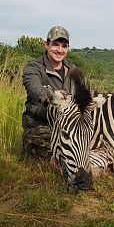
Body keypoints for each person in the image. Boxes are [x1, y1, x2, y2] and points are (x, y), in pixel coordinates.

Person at [22, 25, 76, 158]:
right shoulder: (33, 67)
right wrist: (52, 95)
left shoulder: (72, 68)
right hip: (41, 125)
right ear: (46, 45)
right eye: (55, 44)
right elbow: (34, 88)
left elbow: (84, 92)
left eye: (64, 46)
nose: (60, 50)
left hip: (67, 126)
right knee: (62, 156)